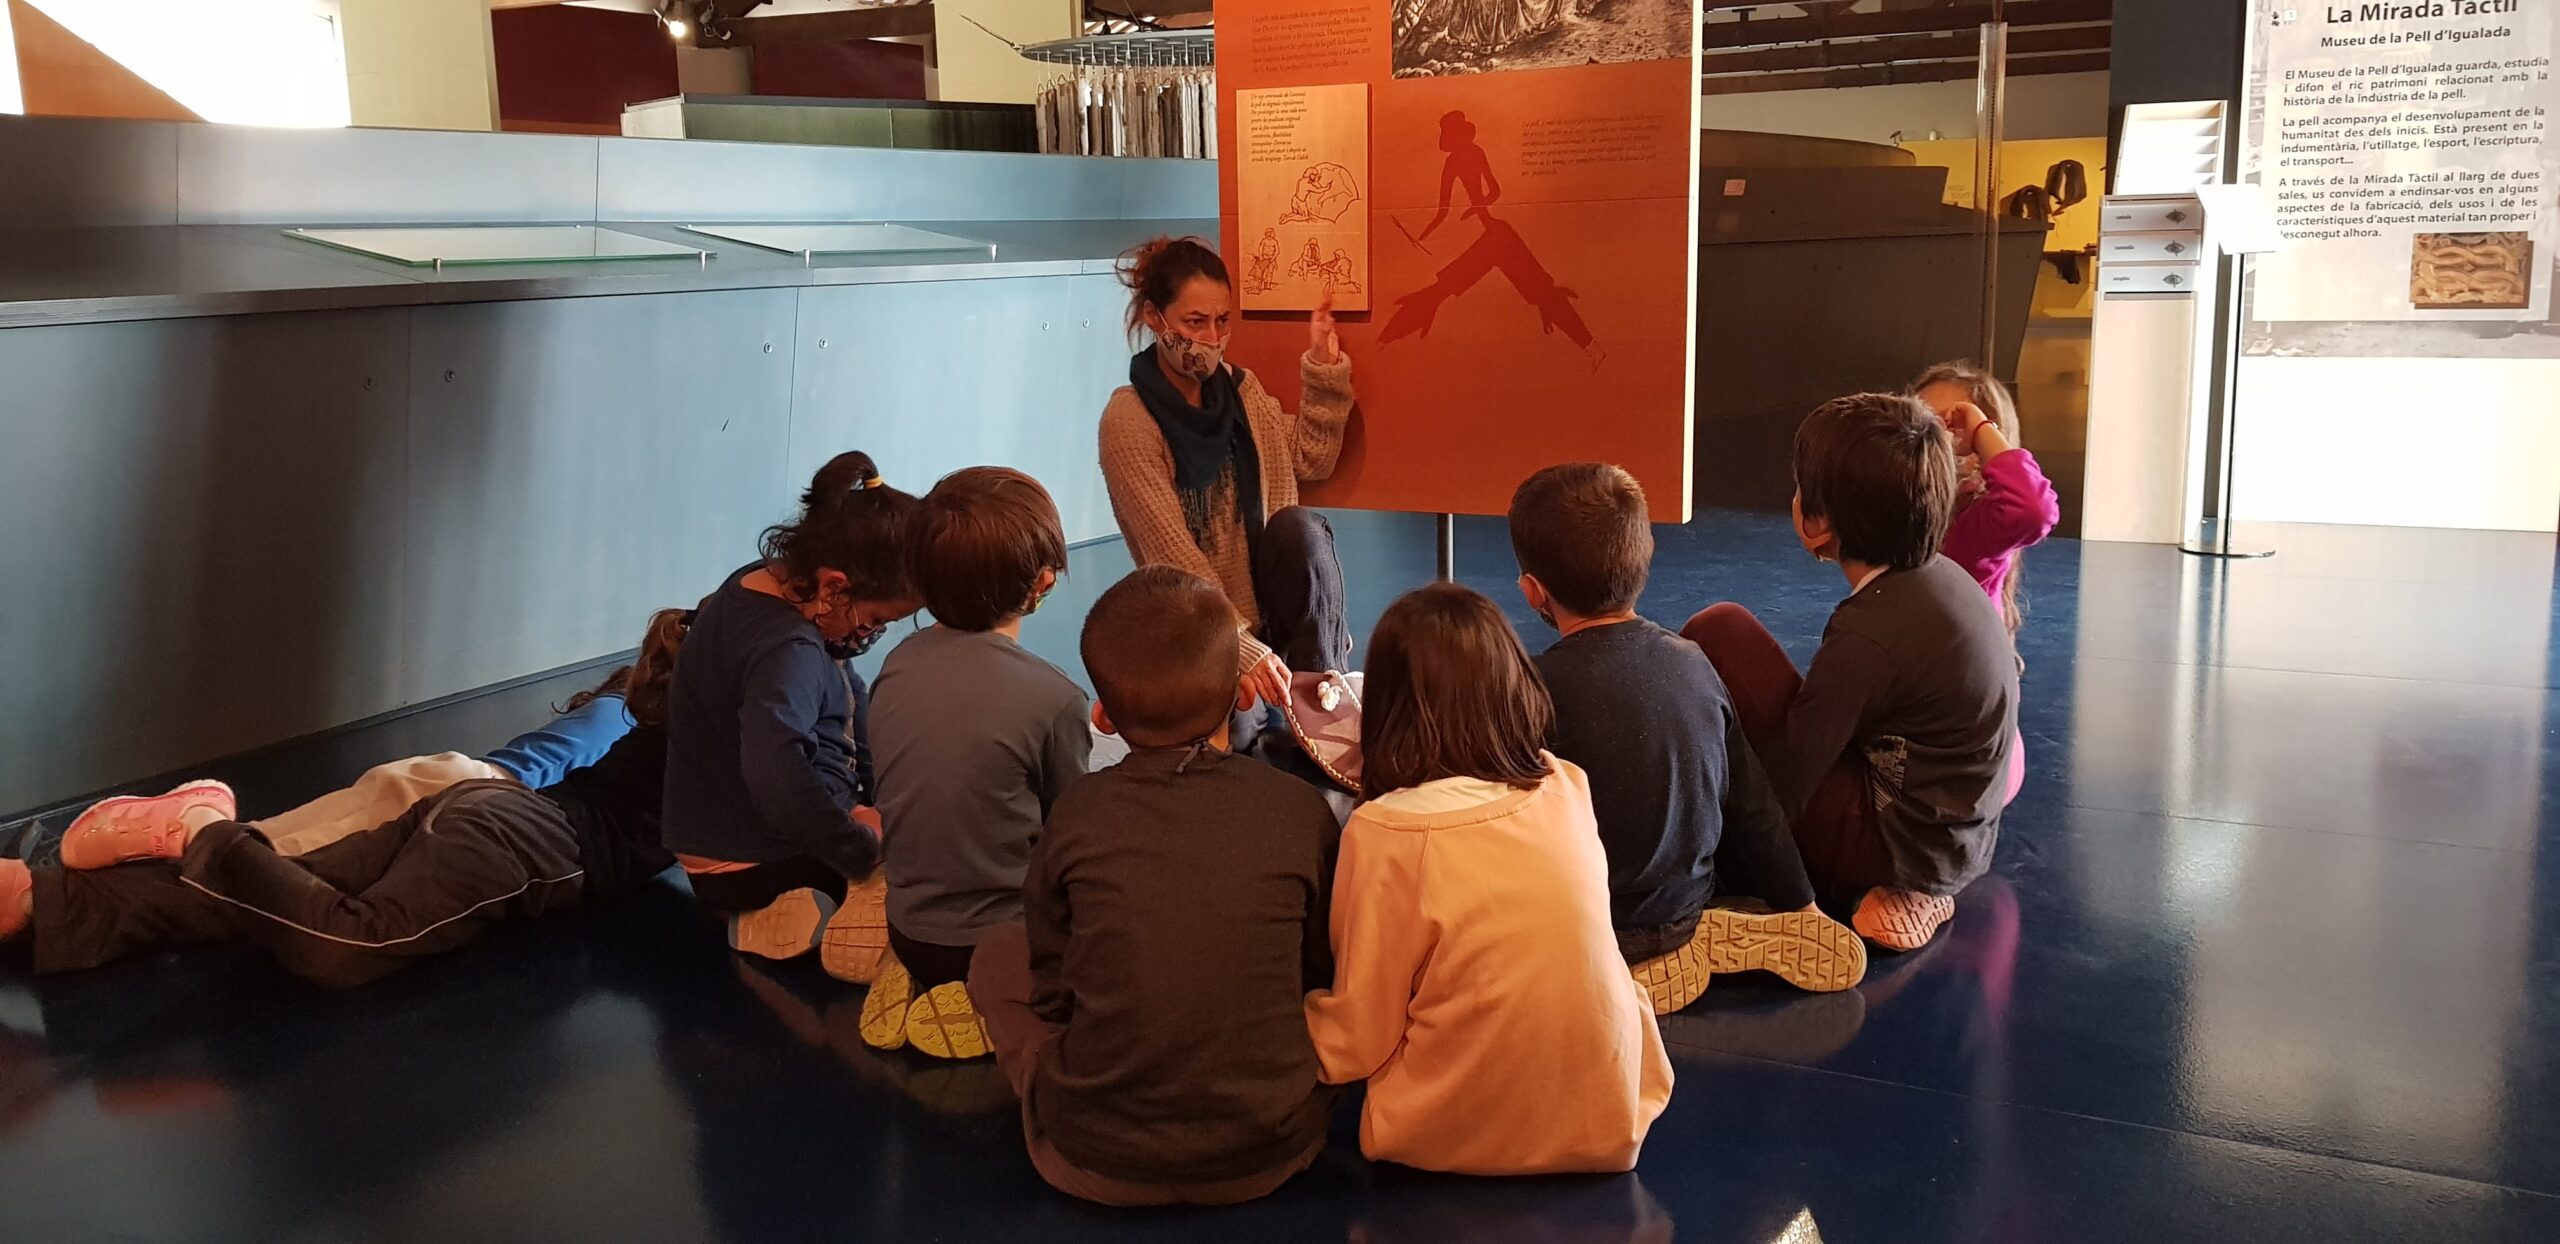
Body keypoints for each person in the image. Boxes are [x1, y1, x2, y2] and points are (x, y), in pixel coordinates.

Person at [0, 611, 690, 988]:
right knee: (307, 905)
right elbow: (535, 777)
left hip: (469, 792)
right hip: (479, 797)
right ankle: (190, 824)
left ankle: (38, 899)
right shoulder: (624, 725)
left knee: (266, 877)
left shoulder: (626, 722)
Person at [969, 566, 1338, 1205]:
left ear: (1103, 718)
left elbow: (1053, 978)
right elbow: (1320, 964)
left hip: (1093, 1159)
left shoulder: (1078, 812)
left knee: (995, 952)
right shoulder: (1299, 808)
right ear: (1241, 696)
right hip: (1276, 1149)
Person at [1305, 583, 1671, 1176]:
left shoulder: (1385, 832)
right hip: (1614, 1118)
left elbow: (1358, 1037)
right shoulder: (1564, 783)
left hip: (1447, 1136)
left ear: (1390, 708)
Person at [1509, 464, 1866, 1015]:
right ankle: (1687, 939)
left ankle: (1606, 970)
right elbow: (1752, 802)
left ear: (1533, 590)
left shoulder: (1530, 688)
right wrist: (1802, 903)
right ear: (1644, 561)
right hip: (1688, 900)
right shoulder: (1695, 662)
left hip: (1589, 920)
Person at [1681, 395, 2019, 953]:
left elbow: (1790, 780)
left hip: (1900, 845)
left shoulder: (1869, 633)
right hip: (1955, 838)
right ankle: (1910, 888)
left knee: (1721, 630)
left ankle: (1883, 888)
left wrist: (1715, 857)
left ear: (1817, 523)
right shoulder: (1944, 578)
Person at [862, 467, 1092, 1060]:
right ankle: (995, 1003)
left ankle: (911, 974)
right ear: (1042, 584)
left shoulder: (895, 664)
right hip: (1003, 944)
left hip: (909, 927)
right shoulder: (1055, 697)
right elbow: (1072, 836)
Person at [661, 452, 921, 973]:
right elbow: (776, 772)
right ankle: (805, 909)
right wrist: (859, 847)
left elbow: (848, 699)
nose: (873, 634)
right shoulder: (789, 649)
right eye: (877, 619)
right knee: (925, 866)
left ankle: (787, 909)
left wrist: (878, 794)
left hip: (718, 843)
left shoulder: (760, 584)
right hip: (749, 860)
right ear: (834, 586)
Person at [1099, 235, 1357, 708]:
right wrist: (1245, 650)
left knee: (1300, 528)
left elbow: (1310, 458)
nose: (1211, 338)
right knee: (1238, 731)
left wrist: (1323, 367)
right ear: (1155, 317)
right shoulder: (1129, 420)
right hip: (1199, 633)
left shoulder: (1242, 390)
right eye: (1195, 322)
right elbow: (1174, 559)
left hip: (1274, 622)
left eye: (1222, 321)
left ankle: (1324, 692)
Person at [1909, 362, 2060, 634]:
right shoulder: (1902, 505)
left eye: (1954, 427)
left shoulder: (1975, 522)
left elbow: (2032, 509)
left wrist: (1980, 429)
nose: (1934, 440)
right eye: (1922, 423)